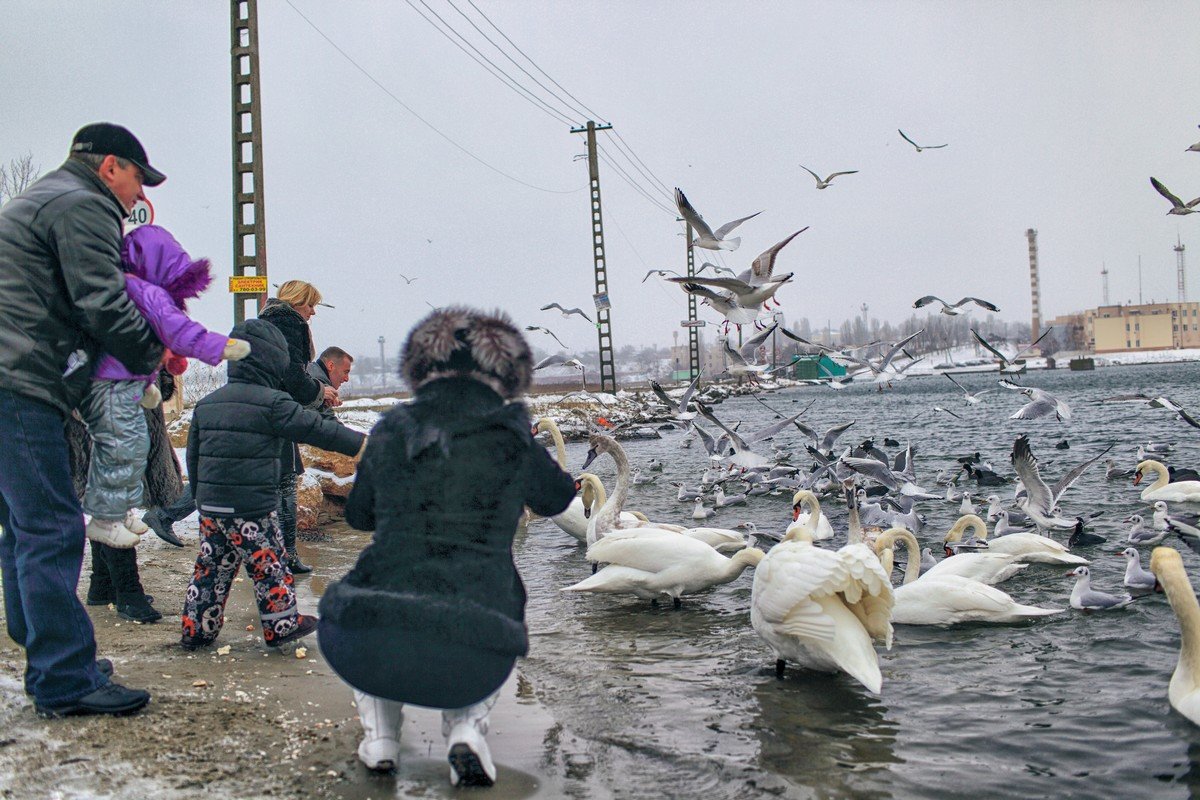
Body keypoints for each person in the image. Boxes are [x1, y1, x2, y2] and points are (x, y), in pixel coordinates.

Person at [317, 307, 575, 786]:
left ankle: (380, 739)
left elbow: (358, 517)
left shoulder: (393, 428)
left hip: (368, 638)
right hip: (475, 645)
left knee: (376, 602)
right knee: (481, 612)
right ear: (502, 370)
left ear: (422, 366)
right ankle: (467, 731)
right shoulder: (510, 434)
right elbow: (559, 497)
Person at [0, 122, 164, 717]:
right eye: (136, 181)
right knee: (51, 528)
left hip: (10, 376)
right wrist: (152, 355)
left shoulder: (39, 198)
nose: (137, 196)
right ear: (110, 167)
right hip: (18, 380)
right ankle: (64, 681)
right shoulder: (84, 204)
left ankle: (54, 655)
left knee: (23, 528)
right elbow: (101, 299)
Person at [80, 225, 247, 622]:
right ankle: (128, 592)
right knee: (116, 500)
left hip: (131, 406)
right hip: (113, 408)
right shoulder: (121, 298)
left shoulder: (132, 298)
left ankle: (103, 584)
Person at [181, 318, 365, 651]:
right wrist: (361, 445)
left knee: (210, 569)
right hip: (252, 509)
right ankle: (281, 625)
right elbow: (318, 429)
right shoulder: (273, 404)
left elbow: (193, 458)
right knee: (269, 566)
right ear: (274, 361)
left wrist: (201, 498)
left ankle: (197, 629)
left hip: (211, 509)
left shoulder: (207, 405)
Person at [258, 280, 335, 574]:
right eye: (310, 304)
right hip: (277, 412)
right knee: (286, 483)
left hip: (264, 408)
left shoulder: (266, 321)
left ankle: (273, 552)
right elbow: (292, 374)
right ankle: (286, 554)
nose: (313, 312)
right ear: (296, 302)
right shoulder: (289, 323)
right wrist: (320, 392)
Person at [307, 346, 353, 420]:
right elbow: (328, 423)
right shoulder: (320, 388)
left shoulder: (310, 372)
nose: (346, 379)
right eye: (345, 372)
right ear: (331, 366)